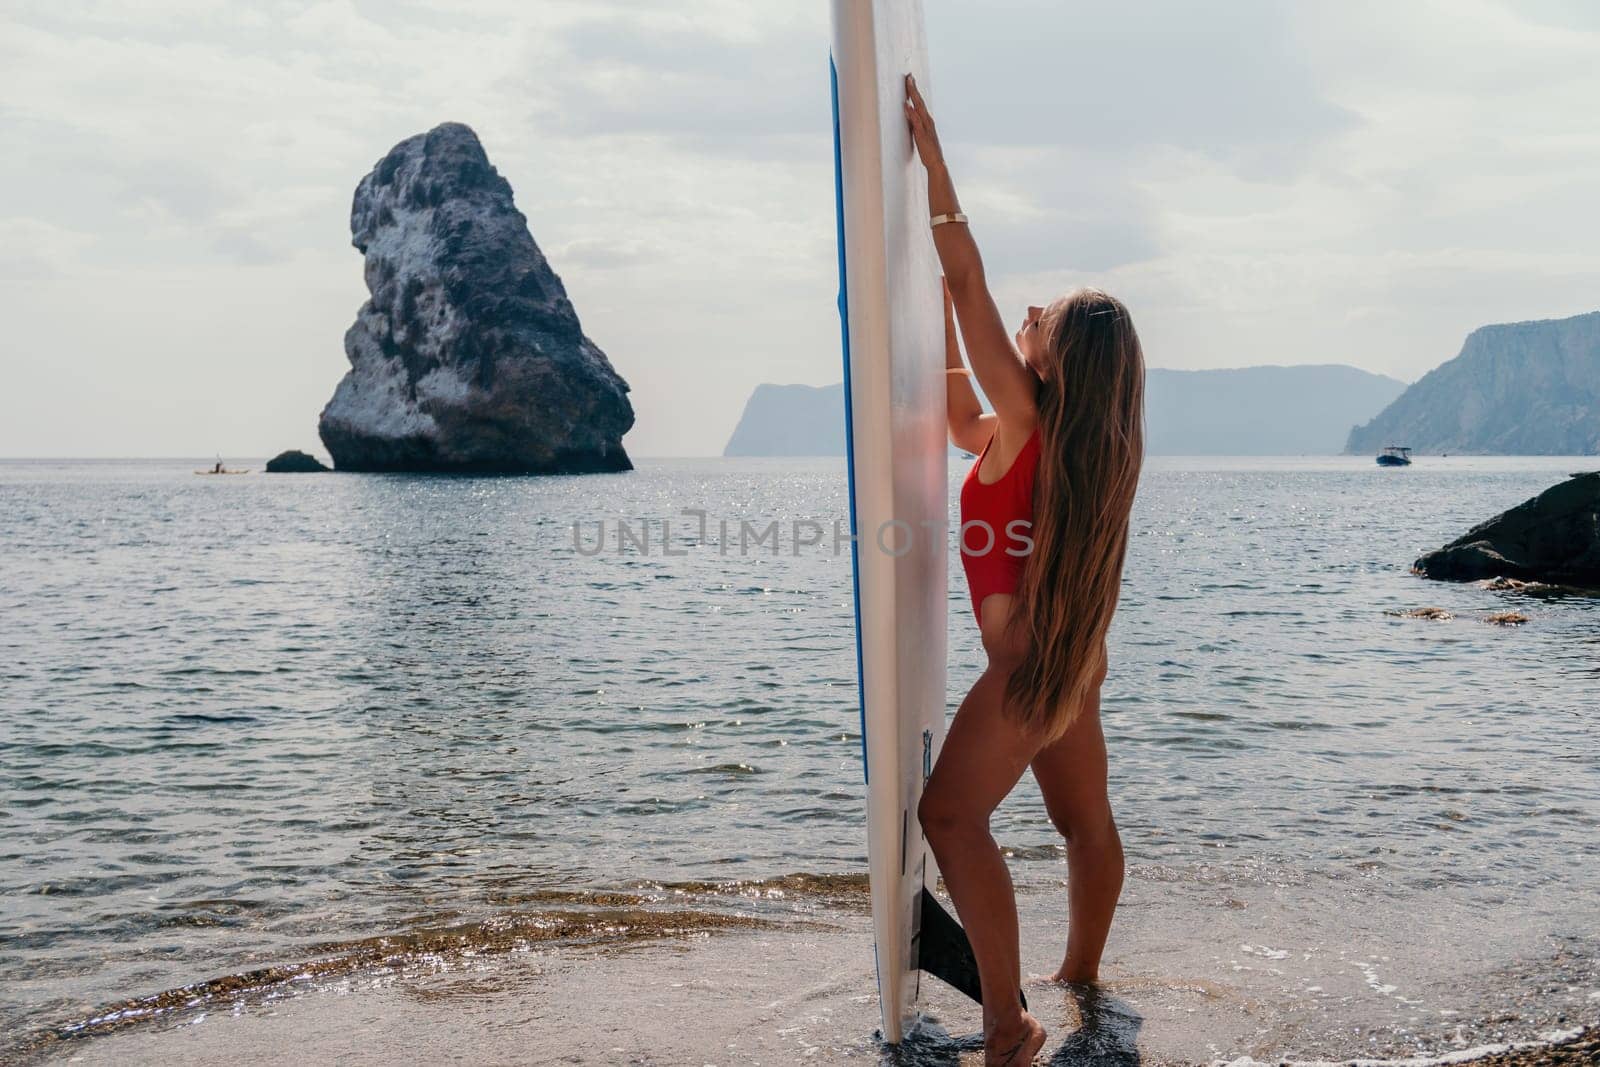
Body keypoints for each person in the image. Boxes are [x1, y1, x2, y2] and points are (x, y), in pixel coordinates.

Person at [903, 73, 1146, 1066]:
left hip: (1026, 677)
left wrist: (933, 162)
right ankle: (1083, 979)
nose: (1029, 311)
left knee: (951, 814)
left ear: (1053, 363)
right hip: (1069, 671)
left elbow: (969, 281)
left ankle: (1011, 1023)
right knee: (1084, 824)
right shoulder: (1075, 444)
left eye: (1042, 319)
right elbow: (962, 422)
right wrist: (934, 336)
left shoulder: (1034, 415)